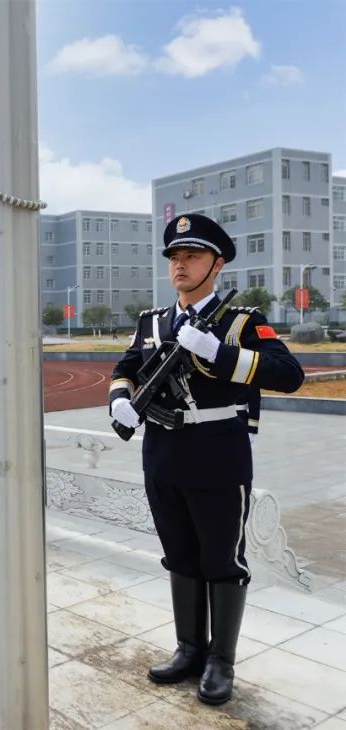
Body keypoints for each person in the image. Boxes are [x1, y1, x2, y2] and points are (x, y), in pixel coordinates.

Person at [108, 213, 304, 705]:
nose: (180, 265)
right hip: (162, 454)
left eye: (192, 256)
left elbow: (289, 374)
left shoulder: (241, 322)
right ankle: (189, 649)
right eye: (175, 257)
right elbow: (127, 367)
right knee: (180, 554)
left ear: (217, 265)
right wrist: (119, 399)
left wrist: (219, 353)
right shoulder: (153, 322)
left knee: (221, 559)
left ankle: (221, 660)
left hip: (218, 453)